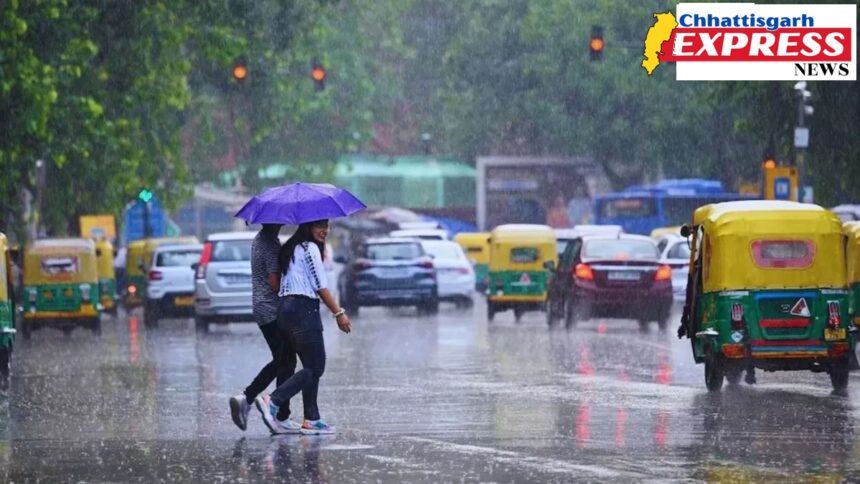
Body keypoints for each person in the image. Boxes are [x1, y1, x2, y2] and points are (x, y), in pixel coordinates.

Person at [255, 219, 352, 435]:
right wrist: (339, 313)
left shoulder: (292, 247)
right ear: (307, 227)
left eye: (326, 226)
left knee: (309, 366)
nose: (324, 231)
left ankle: (312, 418)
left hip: (285, 311)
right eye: (319, 226)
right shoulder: (309, 249)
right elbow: (320, 285)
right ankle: (273, 400)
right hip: (302, 311)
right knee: (316, 366)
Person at [229, 223, 299, 433]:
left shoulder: (261, 239)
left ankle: (251, 400)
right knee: (286, 360)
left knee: (283, 359)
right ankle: (278, 413)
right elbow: (274, 283)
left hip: (262, 308)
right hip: (271, 309)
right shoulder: (269, 244)